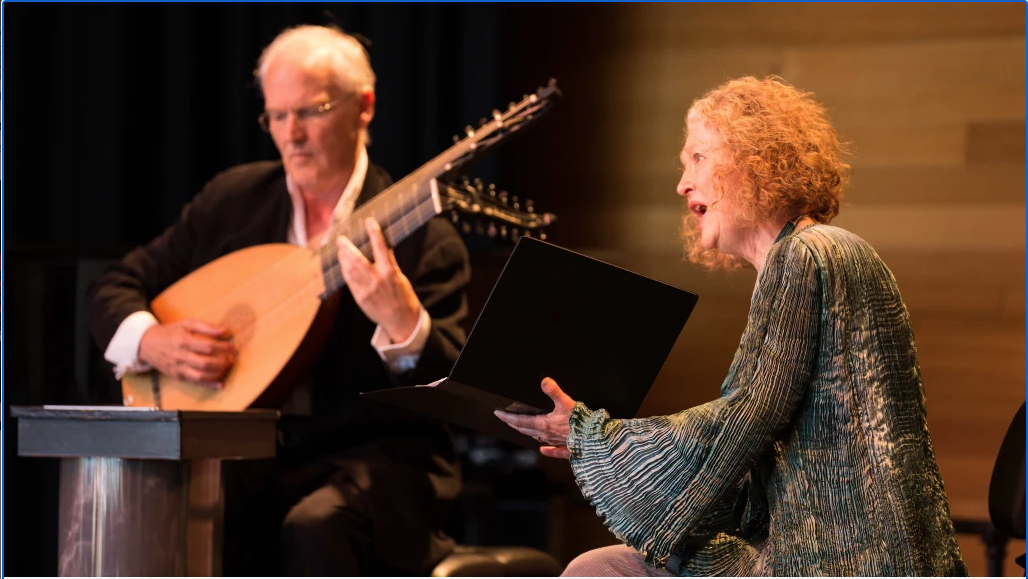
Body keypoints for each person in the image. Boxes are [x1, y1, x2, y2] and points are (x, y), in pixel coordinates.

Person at [495, 76, 968, 576]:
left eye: (698, 157)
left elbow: (748, 417)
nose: (682, 184)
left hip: (841, 563)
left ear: (756, 159)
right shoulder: (815, 254)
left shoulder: (808, 254)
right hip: (841, 555)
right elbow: (757, 445)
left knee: (600, 572)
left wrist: (593, 437)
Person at [85, 24, 472, 576]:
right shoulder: (232, 201)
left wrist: (403, 325)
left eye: (311, 111)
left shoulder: (423, 239)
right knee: (160, 505)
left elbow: (454, 394)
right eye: (276, 116)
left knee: (316, 526)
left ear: (364, 107)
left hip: (374, 466)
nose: (291, 134)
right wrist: (152, 339)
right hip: (246, 454)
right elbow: (115, 285)